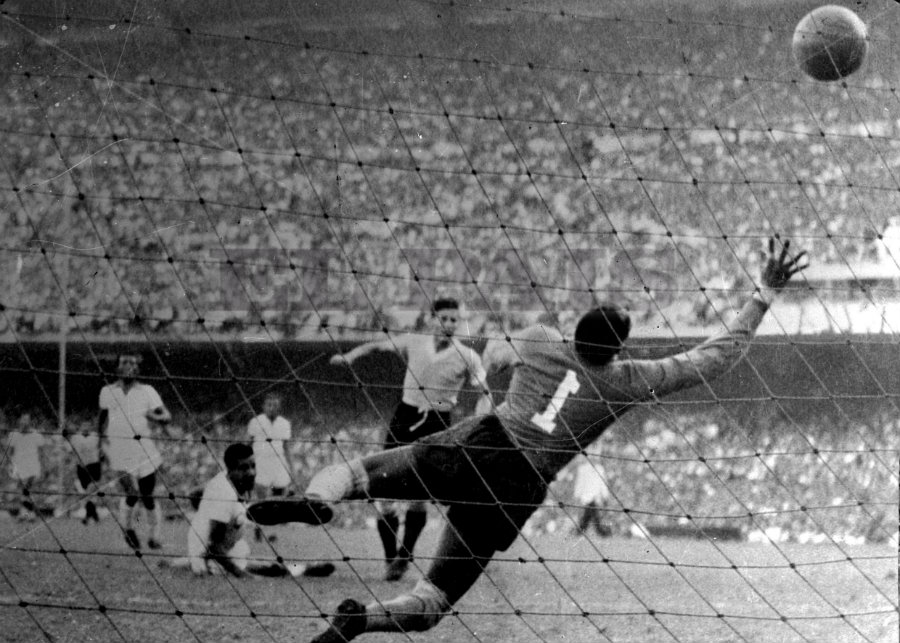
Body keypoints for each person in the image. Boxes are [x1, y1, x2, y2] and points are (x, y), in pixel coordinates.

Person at [295, 238, 807, 642]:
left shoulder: (541, 340)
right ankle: (360, 619)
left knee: (362, 474)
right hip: (517, 485)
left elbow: (494, 352)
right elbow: (711, 359)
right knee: (434, 601)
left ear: (575, 329)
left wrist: (494, 366)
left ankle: (319, 498)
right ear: (616, 349)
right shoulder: (623, 380)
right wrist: (763, 295)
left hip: (482, 441)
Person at [330, 296, 492, 581]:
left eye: (455, 319)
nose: (450, 324)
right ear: (432, 319)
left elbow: (484, 389)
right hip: (404, 417)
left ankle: (406, 553)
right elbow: (376, 346)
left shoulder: (467, 355)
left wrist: (481, 410)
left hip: (437, 421)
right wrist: (350, 357)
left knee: (420, 494)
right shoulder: (414, 341)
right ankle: (390, 557)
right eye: (445, 318)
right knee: (382, 487)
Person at [166, 442, 334, 579]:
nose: (252, 472)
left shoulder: (234, 483)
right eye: (244, 468)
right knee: (272, 569)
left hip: (227, 547)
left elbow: (197, 494)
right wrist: (243, 575)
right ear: (231, 470)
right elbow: (213, 546)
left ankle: (304, 567)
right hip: (212, 557)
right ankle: (305, 569)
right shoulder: (225, 496)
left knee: (267, 563)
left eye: (253, 466)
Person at [98, 353, 172, 551]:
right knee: (131, 493)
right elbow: (101, 419)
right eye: (124, 362)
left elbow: (166, 415)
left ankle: (154, 537)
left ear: (138, 368)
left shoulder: (147, 391)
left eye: (132, 363)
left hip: (144, 447)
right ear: (118, 367)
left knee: (147, 495)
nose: (129, 366)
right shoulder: (107, 391)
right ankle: (128, 530)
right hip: (119, 447)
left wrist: (154, 417)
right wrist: (100, 445)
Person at [248, 393, 294, 541]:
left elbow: (287, 448)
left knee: (278, 499)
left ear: (278, 407)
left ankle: (272, 532)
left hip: (278, 463)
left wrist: (292, 469)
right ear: (263, 406)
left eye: (275, 405)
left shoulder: (284, 423)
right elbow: (248, 444)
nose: (271, 408)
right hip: (261, 462)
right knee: (261, 499)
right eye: (269, 405)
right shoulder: (256, 422)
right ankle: (258, 528)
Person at [6, 413, 46, 522]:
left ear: (30, 422)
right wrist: (9, 465)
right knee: (23, 491)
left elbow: (42, 452)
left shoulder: (36, 435)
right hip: (19, 467)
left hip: (33, 466)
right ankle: (28, 513)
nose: (24, 422)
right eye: (22, 420)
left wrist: (43, 466)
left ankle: (27, 513)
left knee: (26, 489)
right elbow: (10, 452)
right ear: (19, 421)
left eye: (26, 420)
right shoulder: (13, 434)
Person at [68, 422, 104, 524]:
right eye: (84, 425)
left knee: (90, 490)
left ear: (91, 427)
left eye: (88, 425)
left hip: (94, 465)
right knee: (87, 492)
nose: (86, 427)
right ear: (80, 427)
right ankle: (92, 514)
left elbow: (101, 450)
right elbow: (72, 451)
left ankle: (89, 515)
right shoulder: (75, 438)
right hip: (82, 466)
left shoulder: (95, 437)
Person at [571, 452, 612, 538]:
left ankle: (581, 531)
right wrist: (577, 495)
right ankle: (601, 532)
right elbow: (579, 483)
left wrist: (605, 495)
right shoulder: (583, 469)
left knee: (589, 516)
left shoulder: (600, 469)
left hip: (596, 497)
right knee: (592, 515)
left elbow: (602, 484)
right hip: (586, 497)